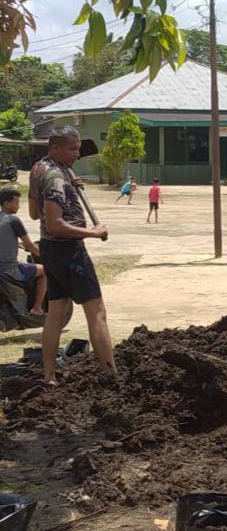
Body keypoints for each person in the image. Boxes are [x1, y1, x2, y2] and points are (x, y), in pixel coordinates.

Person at [32, 126, 117, 386]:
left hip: (50, 250)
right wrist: (91, 232)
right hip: (68, 251)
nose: (77, 155)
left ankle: (49, 375)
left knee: (56, 312)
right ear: (55, 148)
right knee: (97, 312)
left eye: (79, 149)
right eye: (72, 149)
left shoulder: (39, 168)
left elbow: (36, 214)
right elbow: (55, 224)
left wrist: (69, 185)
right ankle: (111, 377)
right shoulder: (56, 177)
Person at [0, 188, 46, 315]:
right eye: (16, 203)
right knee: (45, 270)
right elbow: (30, 246)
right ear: (6, 204)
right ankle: (37, 308)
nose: (18, 206)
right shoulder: (13, 220)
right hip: (10, 270)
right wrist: (47, 257)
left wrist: (16, 245)